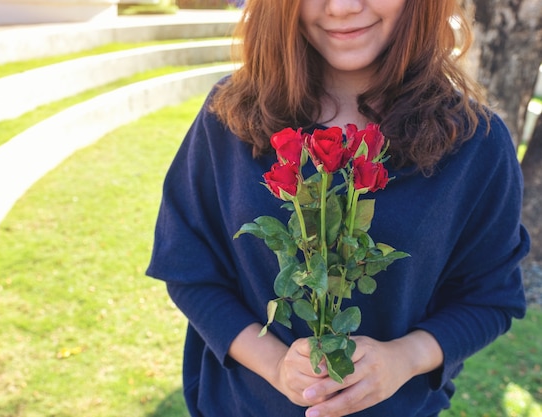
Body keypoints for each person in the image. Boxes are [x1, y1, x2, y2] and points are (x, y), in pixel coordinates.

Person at [146, 0, 530, 416]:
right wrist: (275, 365)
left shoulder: (477, 144)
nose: (343, 7)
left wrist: (404, 358)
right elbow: (189, 268)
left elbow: (490, 298)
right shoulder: (229, 115)